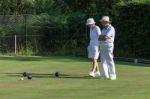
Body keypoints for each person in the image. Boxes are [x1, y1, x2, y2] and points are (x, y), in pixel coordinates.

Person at [99, 16, 117, 80]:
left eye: (102, 22)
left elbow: (105, 37)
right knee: (103, 61)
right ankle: (105, 75)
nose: (101, 23)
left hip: (109, 46)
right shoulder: (103, 29)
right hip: (102, 46)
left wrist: (102, 37)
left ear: (106, 22)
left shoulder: (111, 28)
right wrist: (102, 37)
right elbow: (100, 38)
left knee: (110, 60)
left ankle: (113, 75)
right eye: (101, 22)